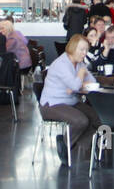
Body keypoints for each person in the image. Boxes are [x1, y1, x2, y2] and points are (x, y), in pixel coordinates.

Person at [37, 34, 102, 164]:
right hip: (52, 104)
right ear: (72, 48)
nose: (85, 53)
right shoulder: (61, 64)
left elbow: (93, 83)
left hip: (71, 101)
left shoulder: (79, 64)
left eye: (86, 50)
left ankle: (78, 148)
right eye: (81, 49)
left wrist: (77, 85)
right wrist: (80, 76)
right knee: (80, 121)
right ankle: (66, 144)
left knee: (99, 118)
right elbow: (75, 85)